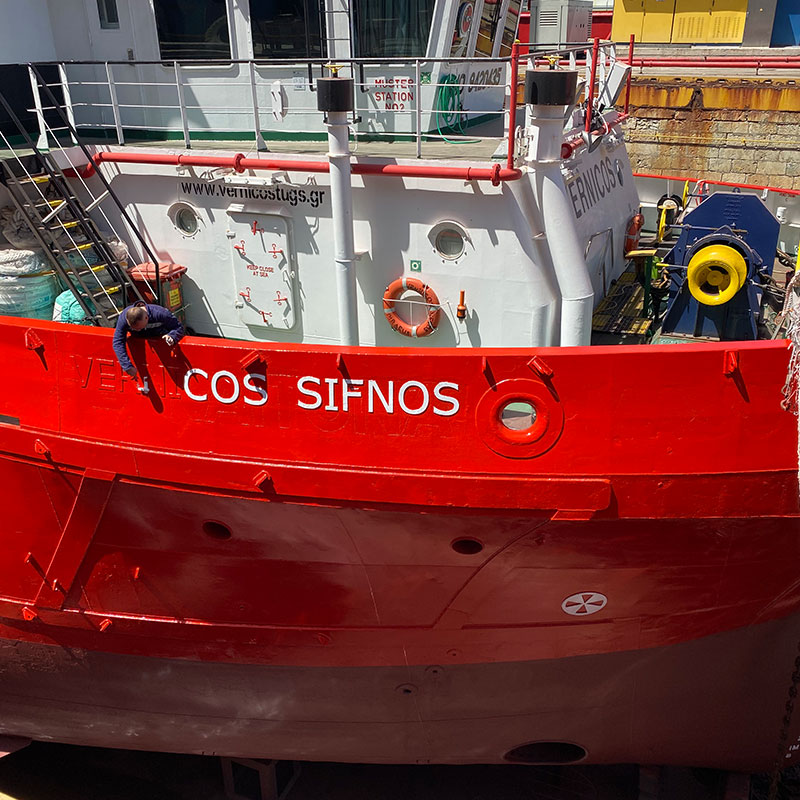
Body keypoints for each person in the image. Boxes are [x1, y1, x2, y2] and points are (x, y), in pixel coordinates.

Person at [112, 301, 184, 378]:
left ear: (146, 318)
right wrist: (127, 366)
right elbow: (118, 341)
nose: (138, 330)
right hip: (141, 352)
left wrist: (172, 336)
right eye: (134, 329)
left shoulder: (161, 313)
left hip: (163, 350)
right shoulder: (123, 318)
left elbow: (179, 327)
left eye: (139, 328)